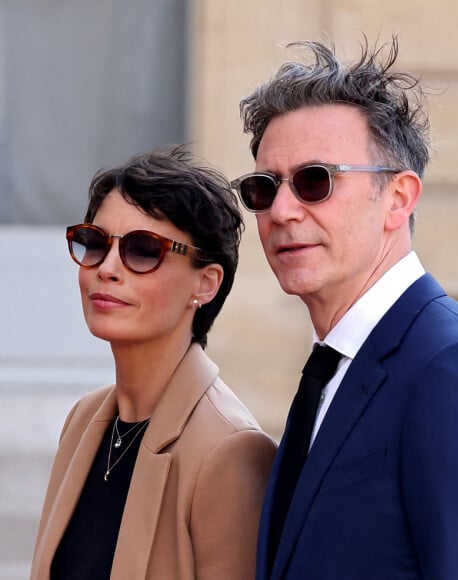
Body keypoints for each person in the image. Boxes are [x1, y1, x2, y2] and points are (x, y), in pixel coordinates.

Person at [231, 37, 458, 579]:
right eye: (264, 188)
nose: (282, 210)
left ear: (399, 198)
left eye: (315, 181)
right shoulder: (332, 367)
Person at [30, 145, 276, 580]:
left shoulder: (232, 451)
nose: (107, 267)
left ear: (206, 282)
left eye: (144, 250)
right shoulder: (84, 419)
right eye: (95, 242)